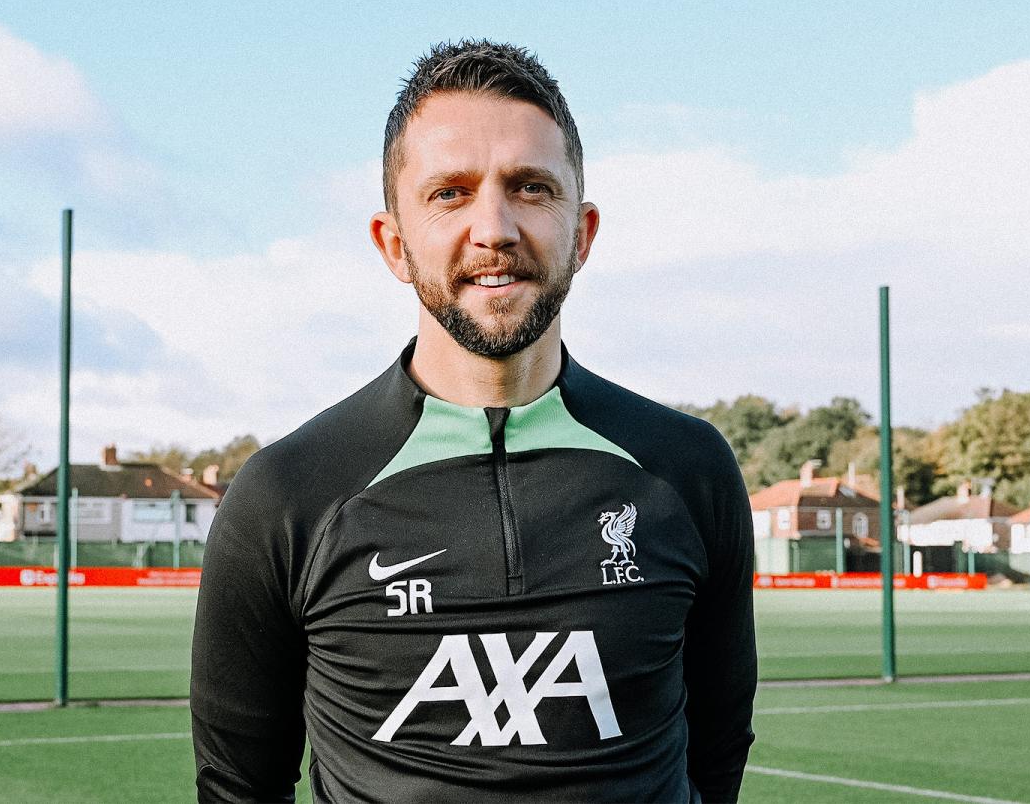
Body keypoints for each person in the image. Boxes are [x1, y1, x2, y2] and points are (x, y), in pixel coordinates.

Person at [191, 39, 757, 803]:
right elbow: (238, 789)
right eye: (450, 193)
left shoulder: (687, 471)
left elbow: (716, 755)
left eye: (530, 188)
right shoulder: (288, 495)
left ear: (583, 233)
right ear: (394, 244)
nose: (494, 228)